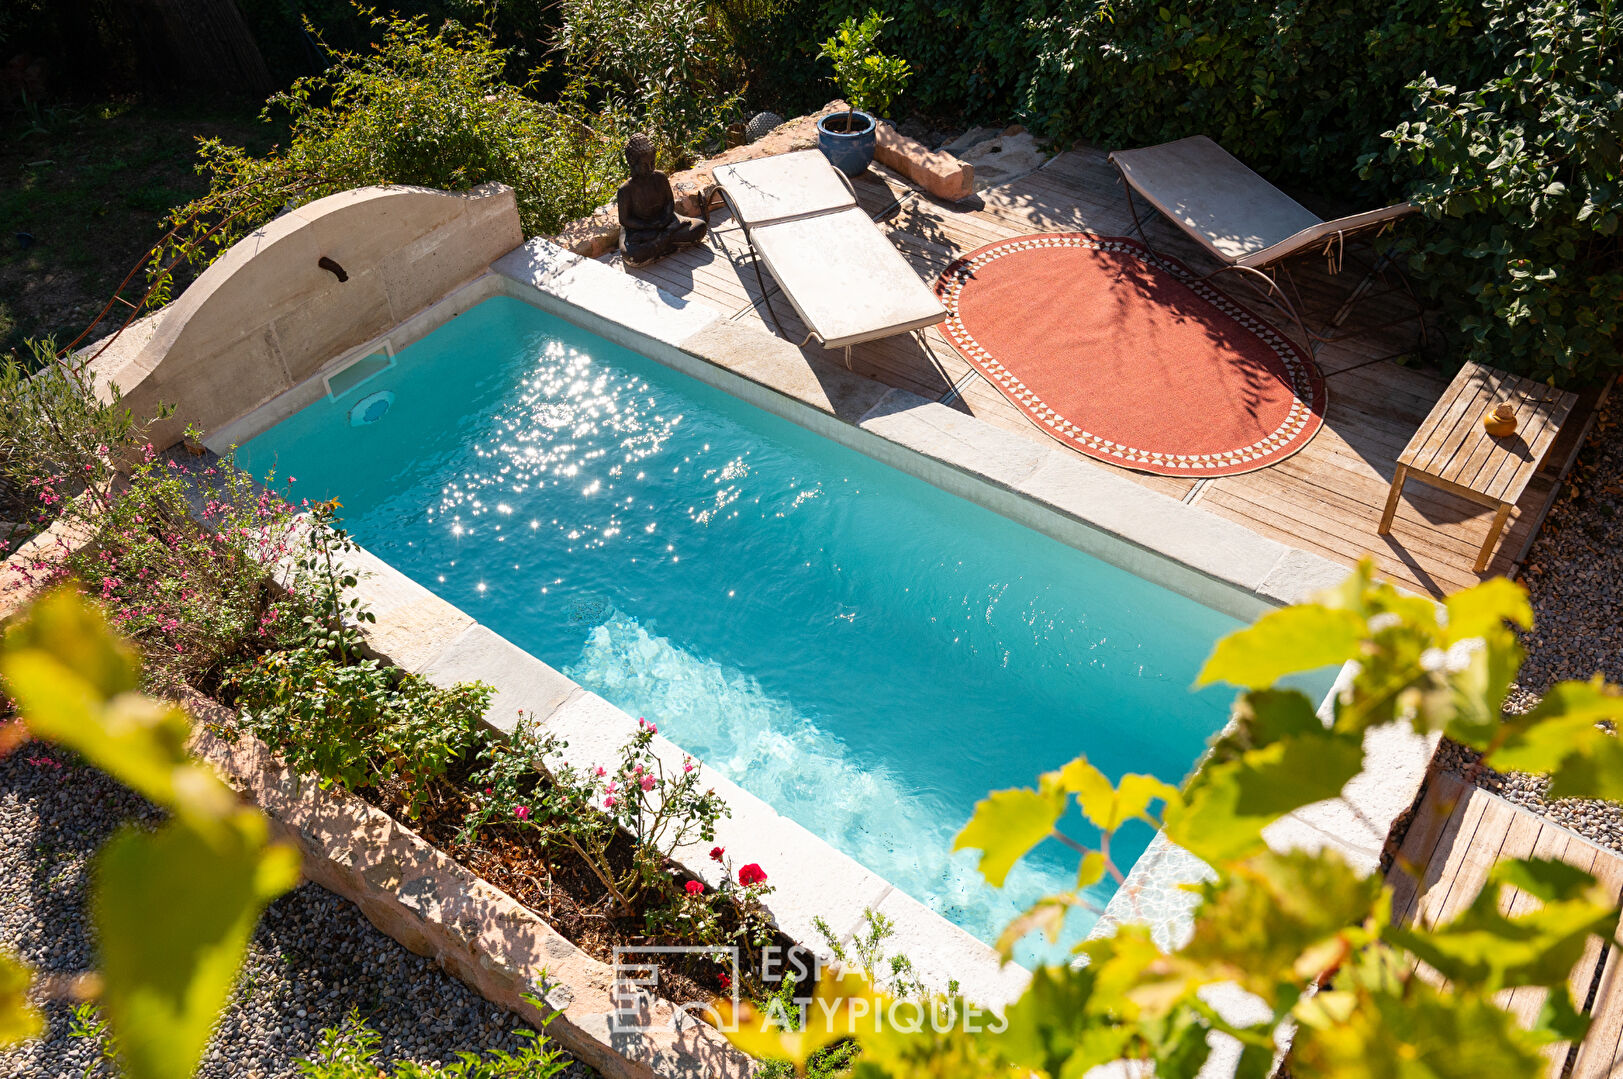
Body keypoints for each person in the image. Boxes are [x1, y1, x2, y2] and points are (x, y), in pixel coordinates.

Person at [616, 132, 708, 266]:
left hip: (665, 222)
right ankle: (667, 239)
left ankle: (661, 242)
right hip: (640, 231)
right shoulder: (625, 190)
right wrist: (648, 226)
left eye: (653, 162)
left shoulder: (660, 178)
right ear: (632, 163)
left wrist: (664, 219)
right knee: (632, 254)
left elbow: (669, 203)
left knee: (699, 227)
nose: (650, 168)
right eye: (645, 165)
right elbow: (625, 220)